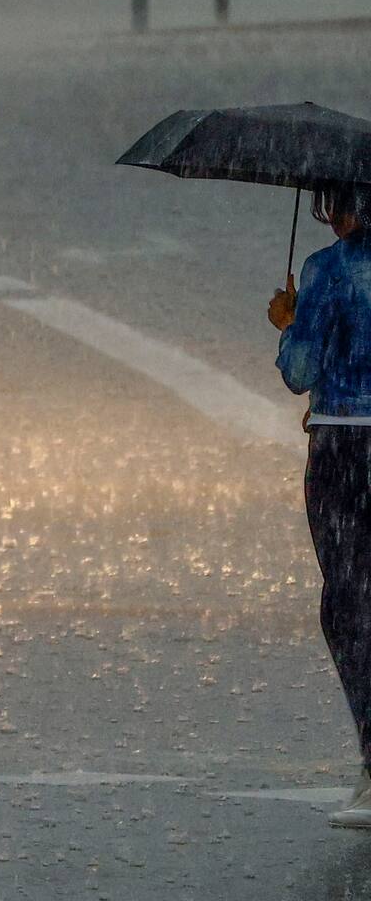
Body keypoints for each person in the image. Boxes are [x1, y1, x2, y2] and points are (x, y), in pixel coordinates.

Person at [270, 181, 371, 829]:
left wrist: (290, 323)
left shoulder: (328, 271)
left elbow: (300, 372)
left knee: (348, 604)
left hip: (342, 449)